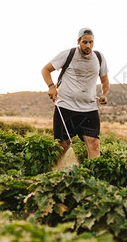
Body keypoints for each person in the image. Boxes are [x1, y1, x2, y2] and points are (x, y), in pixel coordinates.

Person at [41, 27, 109, 160]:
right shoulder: (68, 54)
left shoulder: (99, 58)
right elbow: (45, 70)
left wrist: (104, 94)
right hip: (66, 107)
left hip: (89, 108)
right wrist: (51, 87)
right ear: (78, 41)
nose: (88, 46)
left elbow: (105, 81)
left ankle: (94, 178)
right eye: (84, 42)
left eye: (91, 42)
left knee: (94, 144)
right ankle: (56, 177)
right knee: (63, 146)